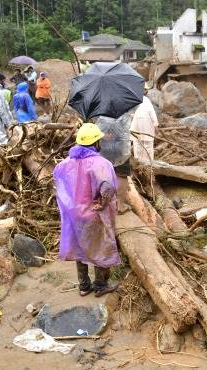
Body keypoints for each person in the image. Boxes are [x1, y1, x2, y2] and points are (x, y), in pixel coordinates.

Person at [54, 123, 121, 297]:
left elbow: (60, 184)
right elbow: (107, 188)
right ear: (96, 143)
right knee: (101, 246)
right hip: (94, 214)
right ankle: (100, 285)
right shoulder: (100, 164)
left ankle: (84, 286)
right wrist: (101, 204)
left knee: (79, 246)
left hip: (75, 214)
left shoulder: (65, 163)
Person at [130, 95, 158, 162]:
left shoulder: (133, 98)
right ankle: (147, 161)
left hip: (137, 124)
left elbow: (130, 112)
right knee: (146, 143)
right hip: (145, 123)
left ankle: (139, 160)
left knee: (138, 142)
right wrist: (155, 123)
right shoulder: (145, 100)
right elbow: (151, 112)